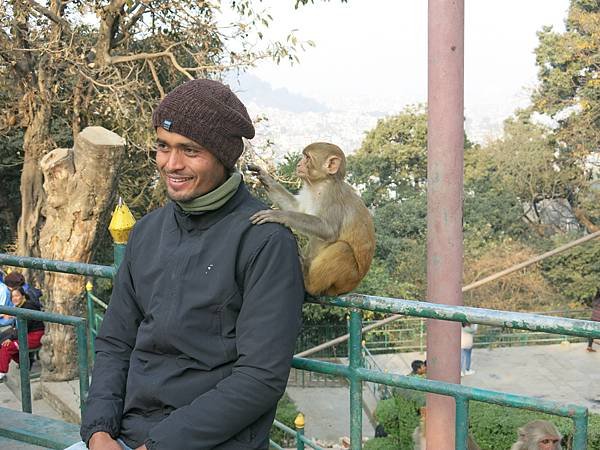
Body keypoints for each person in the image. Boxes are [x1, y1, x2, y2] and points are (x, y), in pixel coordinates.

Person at [69, 79, 305, 450]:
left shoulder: (264, 239)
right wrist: (98, 431)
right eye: (163, 147)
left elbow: (260, 377)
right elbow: (115, 341)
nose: (171, 164)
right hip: (124, 435)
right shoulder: (148, 232)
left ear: (223, 157)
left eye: (190, 150)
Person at [0, 286, 45, 381]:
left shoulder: (28, 307)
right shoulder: (20, 306)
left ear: (23, 296)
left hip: (35, 336)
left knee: (6, 346)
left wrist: (10, 338)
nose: (14, 298)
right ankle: (26, 363)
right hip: (26, 333)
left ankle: (2, 372)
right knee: (3, 341)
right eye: (12, 297)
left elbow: (24, 328)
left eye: (17, 296)